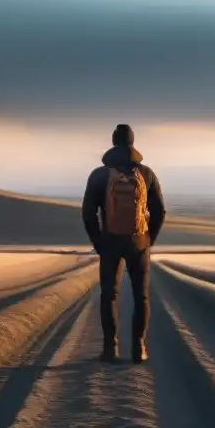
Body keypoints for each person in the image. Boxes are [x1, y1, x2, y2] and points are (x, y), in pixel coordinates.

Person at [81, 123, 166, 363]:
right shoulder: (147, 173)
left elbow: (88, 214)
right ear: (132, 142)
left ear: (113, 142)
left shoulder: (99, 175)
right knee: (141, 297)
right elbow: (160, 211)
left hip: (110, 241)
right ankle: (139, 348)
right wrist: (148, 240)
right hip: (138, 242)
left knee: (109, 295)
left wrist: (99, 242)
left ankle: (110, 348)